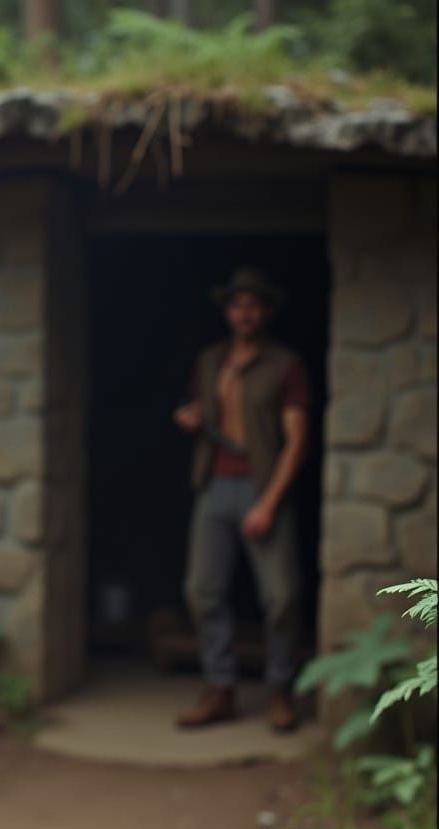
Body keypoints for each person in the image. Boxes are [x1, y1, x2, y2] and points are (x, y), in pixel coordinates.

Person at [173, 267, 308, 733]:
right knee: (202, 590)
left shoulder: (284, 365)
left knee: (281, 596)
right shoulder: (211, 360)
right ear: (227, 311)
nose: (244, 313)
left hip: (261, 484)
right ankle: (221, 688)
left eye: (253, 305)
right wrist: (191, 418)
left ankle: (280, 689)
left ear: (266, 311)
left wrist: (268, 502)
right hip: (214, 483)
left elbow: (296, 440)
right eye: (236, 305)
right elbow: (204, 411)